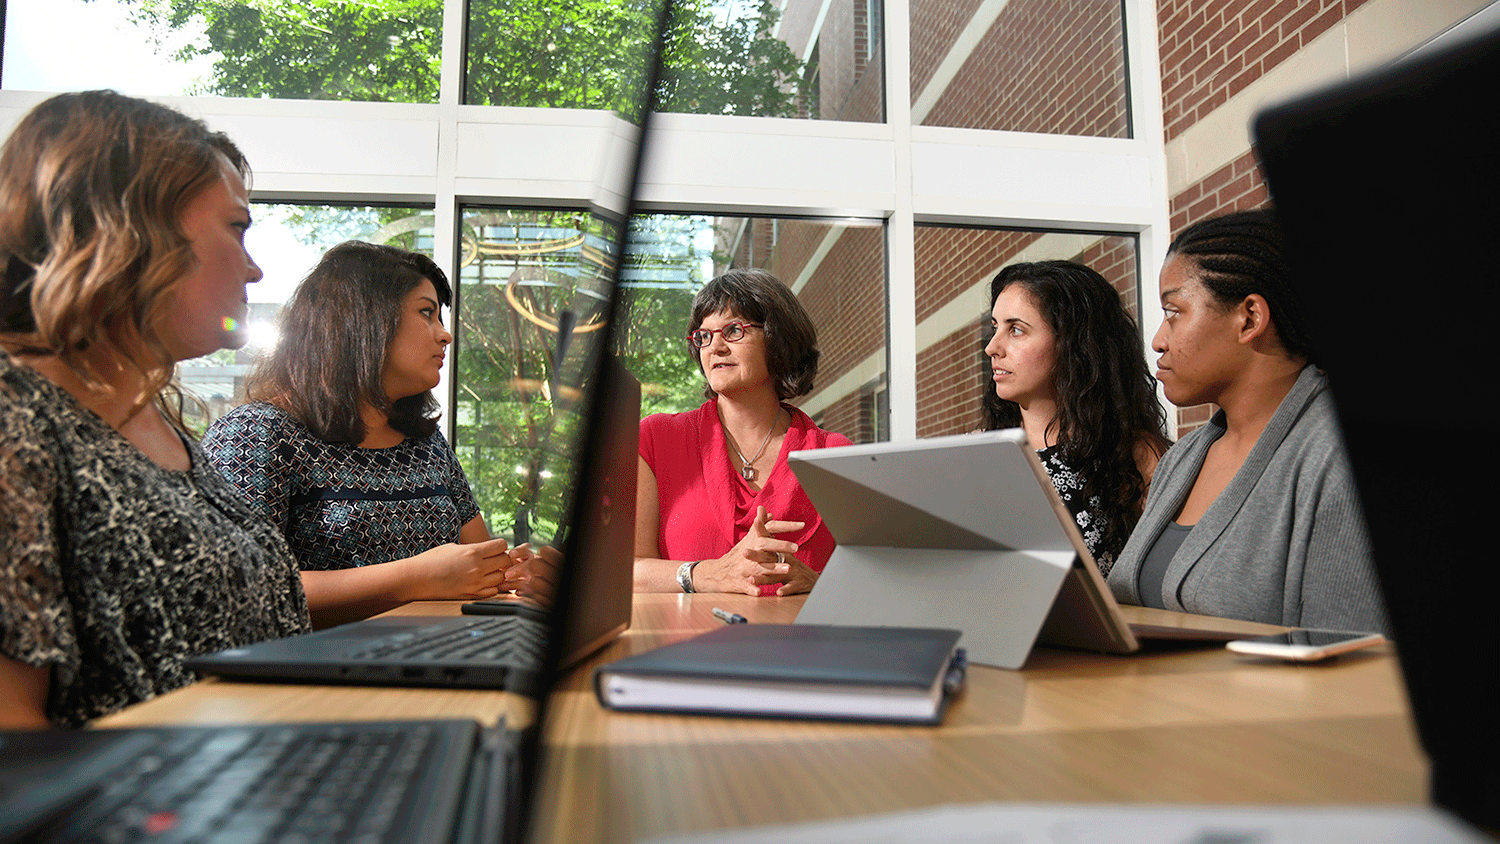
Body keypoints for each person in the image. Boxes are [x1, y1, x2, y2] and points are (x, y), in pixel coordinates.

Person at [0, 91, 311, 728]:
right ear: (133, 229)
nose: (253, 270)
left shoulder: (159, 422)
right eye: (236, 228)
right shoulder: (16, 419)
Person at [203, 242, 548, 623]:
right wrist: (414, 578)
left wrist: (522, 573)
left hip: (432, 655)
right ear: (364, 321)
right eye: (426, 313)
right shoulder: (258, 433)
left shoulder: (426, 445)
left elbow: (481, 562)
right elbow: (236, 585)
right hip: (317, 673)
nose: (445, 335)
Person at [1107, 210, 1388, 633]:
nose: (1159, 340)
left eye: (1175, 311)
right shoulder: (1180, 460)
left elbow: (1354, 660)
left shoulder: (1339, 455)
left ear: (1250, 318)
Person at [634, 269, 852, 596]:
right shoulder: (655, 439)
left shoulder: (834, 456)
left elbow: (881, 579)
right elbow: (628, 572)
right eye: (703, 336)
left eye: (733, 330)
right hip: (688, 645)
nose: (715, 347)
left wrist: (820, 585)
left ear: (778, 339)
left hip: (800, 644)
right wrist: (709, 574)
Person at [980, 260, 1169, 574]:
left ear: (1074, 344)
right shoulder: (983, 453)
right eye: (995, 327)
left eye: (1016, 330)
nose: (992, 347)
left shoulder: (1135, 457)